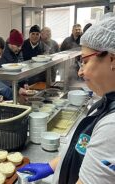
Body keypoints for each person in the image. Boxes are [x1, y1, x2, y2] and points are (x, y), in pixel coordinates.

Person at [18, 14, 115, 184]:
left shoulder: (112, 126)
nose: (80, 72)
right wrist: (52, 166)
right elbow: (81, 147)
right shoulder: (104, 103)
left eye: (84, 61)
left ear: (112, 59)